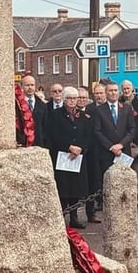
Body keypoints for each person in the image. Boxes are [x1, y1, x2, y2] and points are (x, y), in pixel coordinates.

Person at [47, 85, 91, 229]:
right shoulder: (55, 115)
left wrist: (80, 148)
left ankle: (74, 217)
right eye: (69, 98)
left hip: (77, 157)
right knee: (63, 187)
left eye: (74, 98)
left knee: (75, 188)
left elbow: (88, 136)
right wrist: (68, 147)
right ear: (64, 100)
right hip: (63, 156)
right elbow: (53, 135)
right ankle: (61, 217)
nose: (72, 101)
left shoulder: (83, 116)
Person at [21, 74, 47, 147]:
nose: (30, 87)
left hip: (39, 144)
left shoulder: (42, 105)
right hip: (23, 145)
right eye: (27, 85)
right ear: (22, 86)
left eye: (32, 85)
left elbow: (45, 127)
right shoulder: (17, 105)